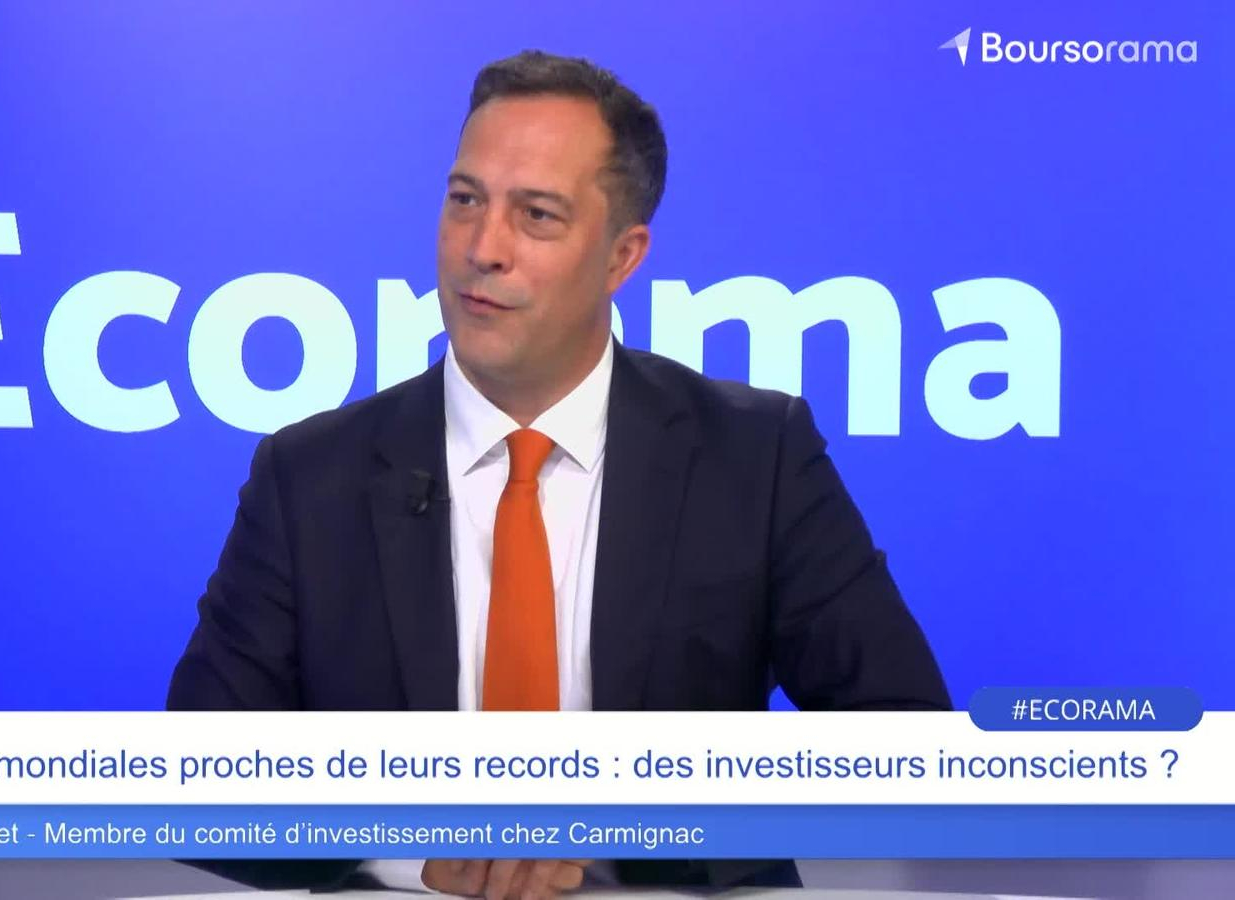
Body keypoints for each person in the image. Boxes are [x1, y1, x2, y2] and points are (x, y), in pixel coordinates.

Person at [167, 49, 950, 897]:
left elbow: (904, 742)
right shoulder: (309, 475)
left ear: (622, 256)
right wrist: (409, 854)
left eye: (536, 215)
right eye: (465, 200)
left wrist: (642, 824)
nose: (483, 249)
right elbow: (199, 782)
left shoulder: (754, 457)